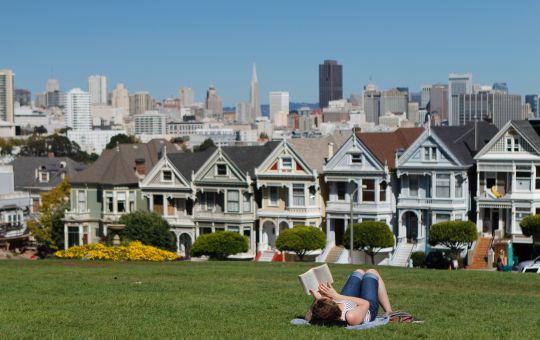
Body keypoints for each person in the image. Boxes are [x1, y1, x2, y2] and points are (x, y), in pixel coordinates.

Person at [305, 269, 392, 326]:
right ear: (334, 304)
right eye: (327, 298)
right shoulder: (350, 316)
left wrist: (317, 299)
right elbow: (365, 303)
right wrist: (337, 296)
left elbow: (309, 316)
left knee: (358, 272)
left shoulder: (320, 314)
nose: (326, 296)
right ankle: (389, 311)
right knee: (372, 273)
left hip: (345, 302)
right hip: (367, 308)